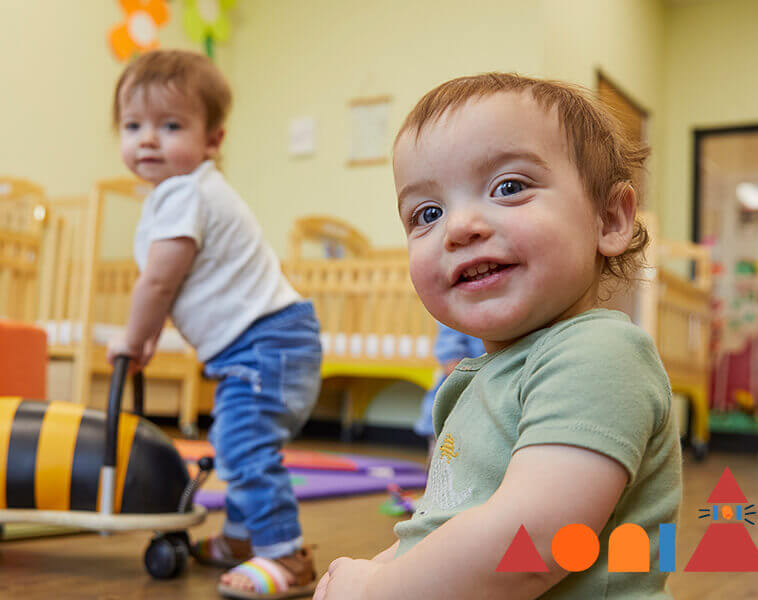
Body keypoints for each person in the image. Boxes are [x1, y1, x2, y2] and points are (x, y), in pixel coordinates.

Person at [313, 73, 682, 599]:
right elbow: (442, 525)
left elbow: (531, 544)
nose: (459, 227)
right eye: (428, 214)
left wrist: (380, 589)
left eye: (508, 187)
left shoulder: (600, 355)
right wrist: (376, 570)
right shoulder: (480, 379)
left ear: (609, 219)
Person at [107, 49, 321, 599]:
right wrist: (152, 335)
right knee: (233, 440)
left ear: (212, 140)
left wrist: (132, 337)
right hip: (268, 343)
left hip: (267, 342)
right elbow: (172, 287)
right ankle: (240, 538)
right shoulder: (181, 194)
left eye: (170, 125)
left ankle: (285, 555)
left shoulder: (184, 193)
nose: (148, 140)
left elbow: (158, 283)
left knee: (245, 447)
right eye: (133, 126)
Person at [414, 323, 484, 466]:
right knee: (442, 453)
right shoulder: (457, 319)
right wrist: (453, 363)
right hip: (461, 387)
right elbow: (450, 356)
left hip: (482, 387)